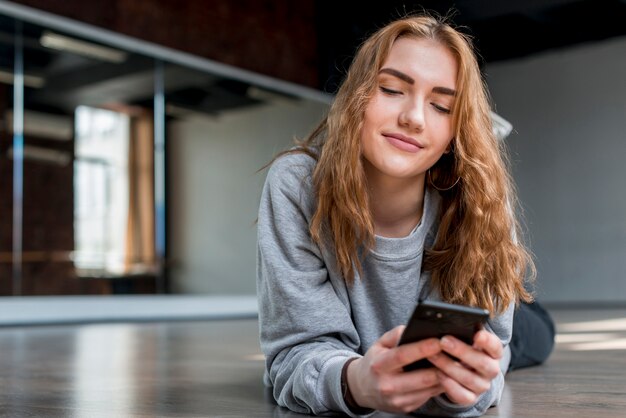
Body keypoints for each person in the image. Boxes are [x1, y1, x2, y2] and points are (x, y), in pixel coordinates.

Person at [256, 13, 554, 417]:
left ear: (454, 135)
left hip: (499, 309)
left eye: (441, 106)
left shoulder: (480, 198)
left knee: (535, 336)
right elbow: (291, 360)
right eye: (392, 89)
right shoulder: (296, 185)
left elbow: (488, 370)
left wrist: (461, 385)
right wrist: (356, 381)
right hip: (363, 347)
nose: (413, 118)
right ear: (356, 97)